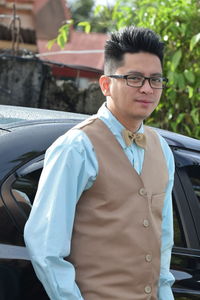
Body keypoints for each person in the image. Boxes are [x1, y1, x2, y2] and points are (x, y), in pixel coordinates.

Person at [24, 26, 175, 300]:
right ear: (106, 84)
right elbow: (45, 246)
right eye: (134, 78)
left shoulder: (162, 150)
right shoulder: (77, 147)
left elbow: (163, 243)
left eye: (155, 79)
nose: (147, 88)